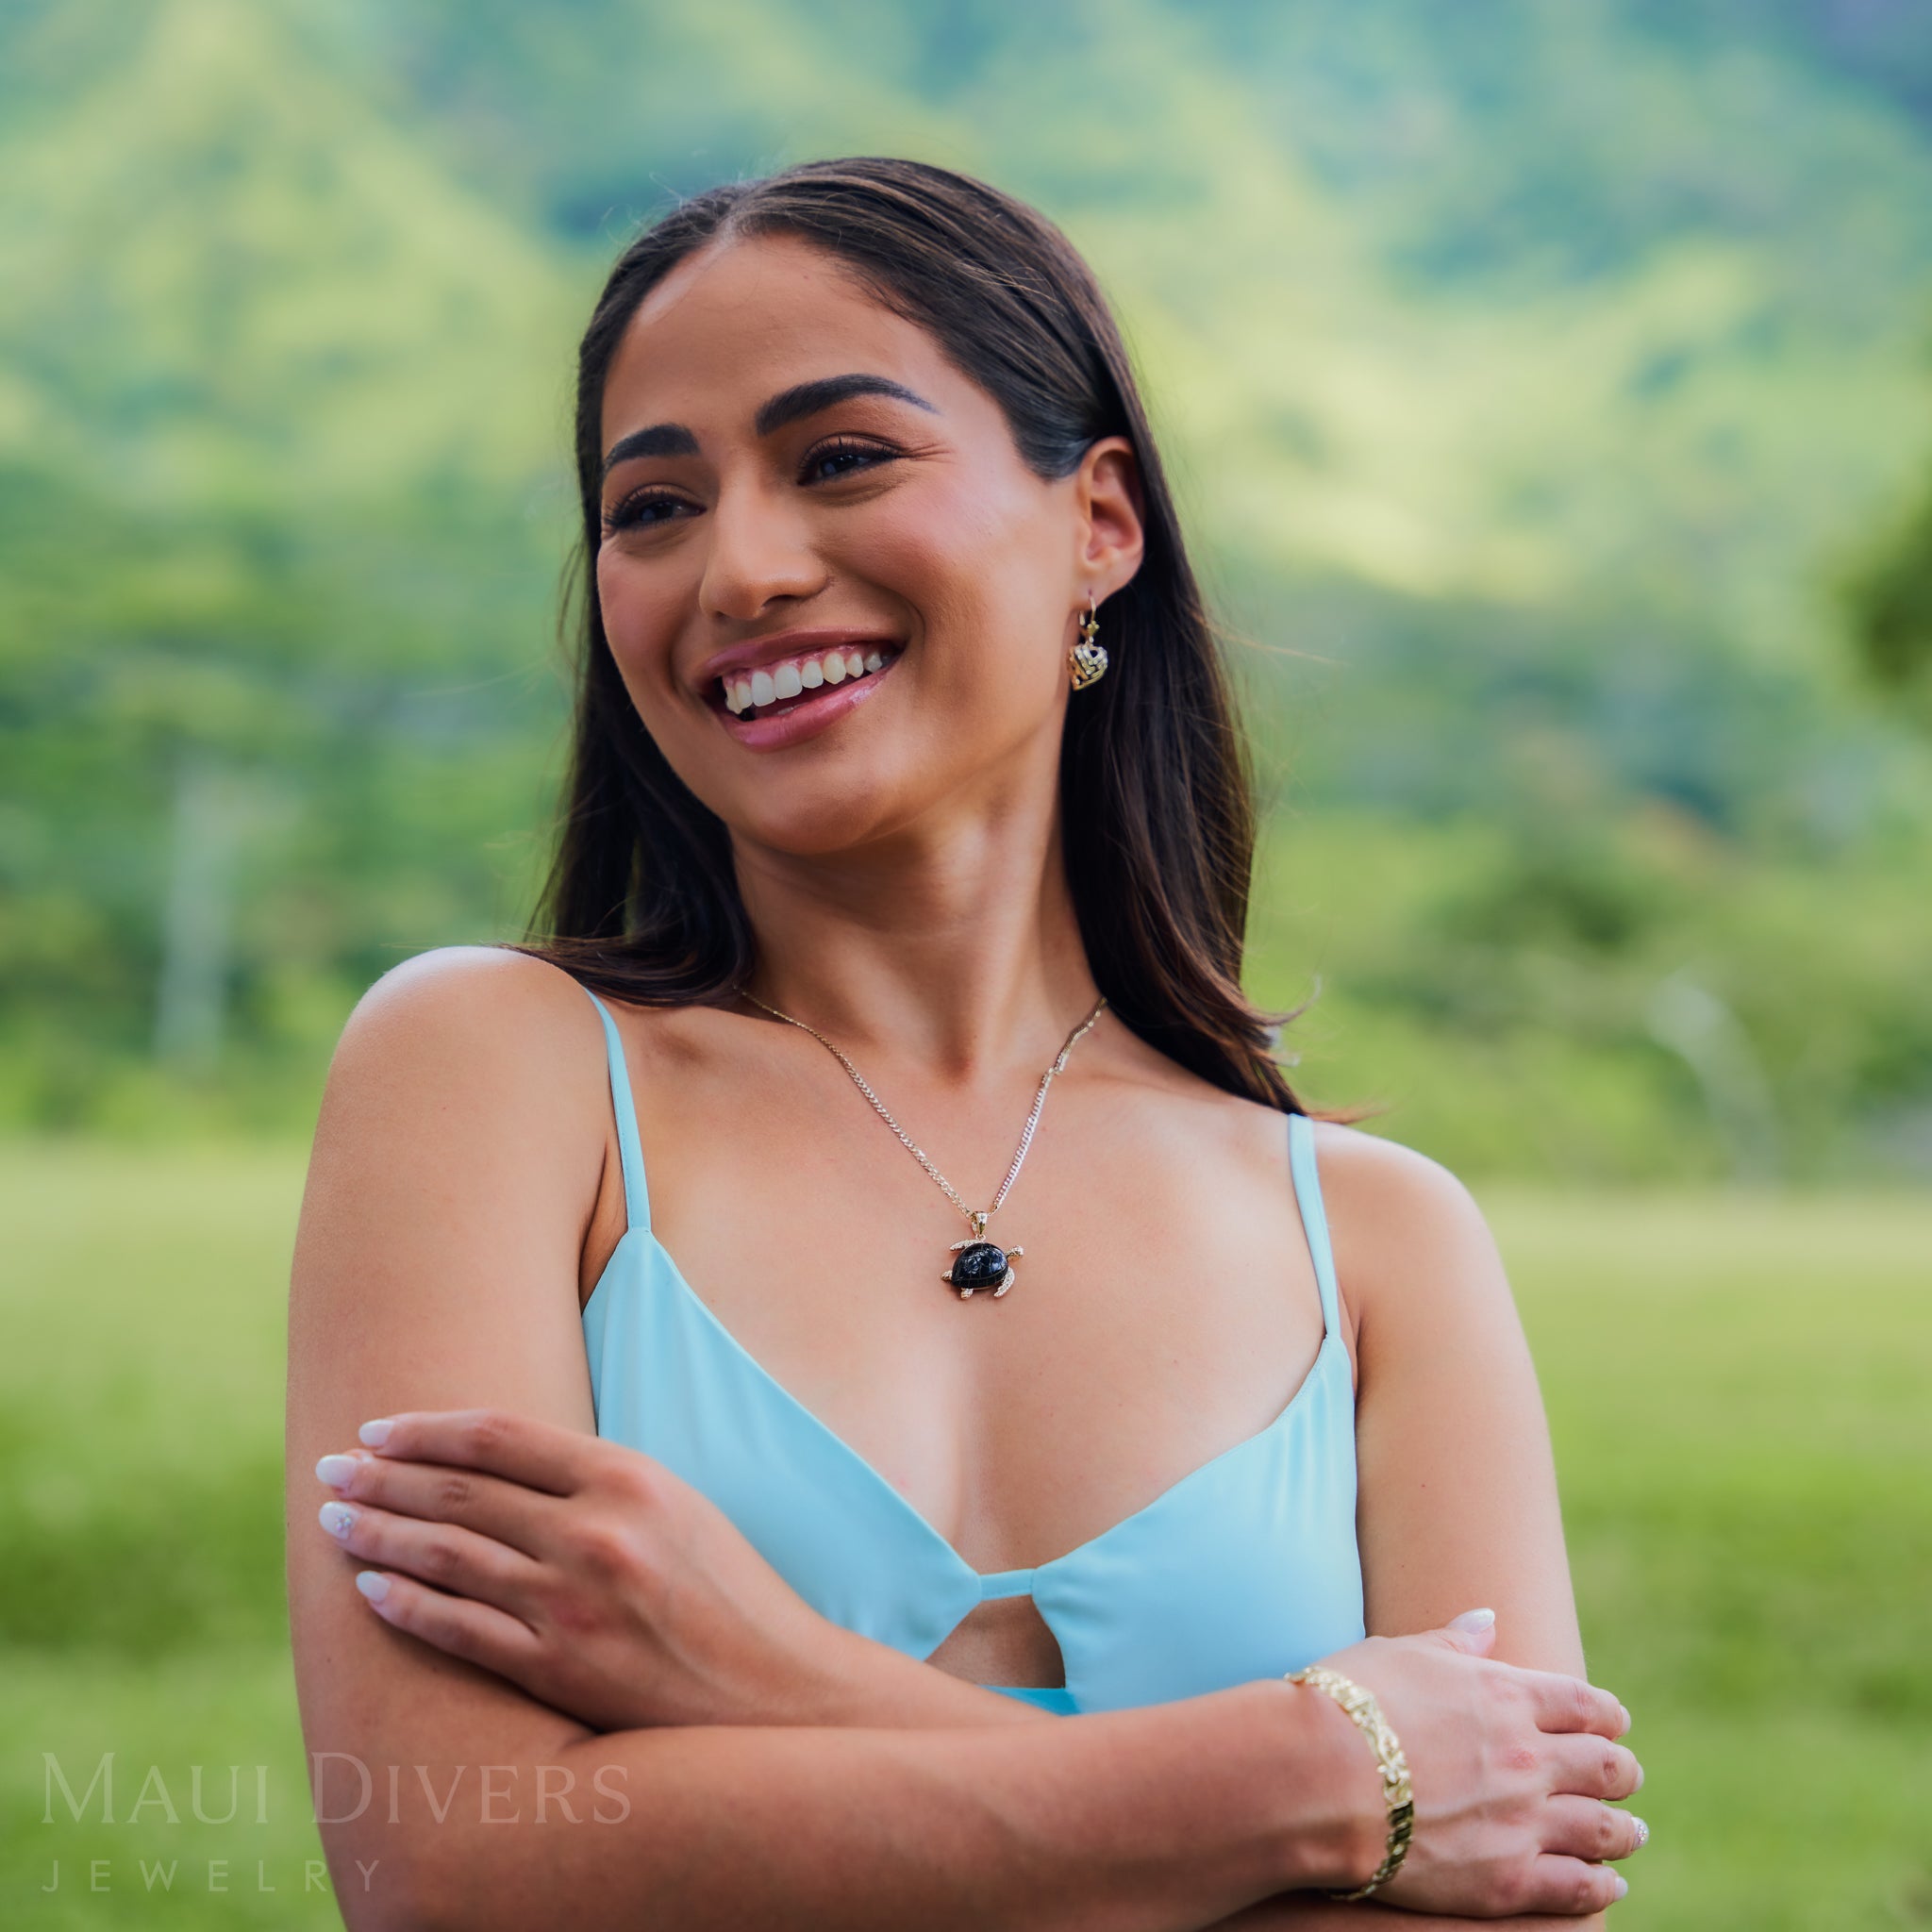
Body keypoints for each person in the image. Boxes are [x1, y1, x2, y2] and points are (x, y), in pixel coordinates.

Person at [285, 157, 1643, 1931]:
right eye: (652, 507)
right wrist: (1327, 1784)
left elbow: (1516, 1895)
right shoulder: (494, 1073)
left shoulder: (1382, 1248)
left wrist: (757, 1679)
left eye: (841, 458)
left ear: (1099, 522)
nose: (743, 569)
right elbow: (452, 1868)